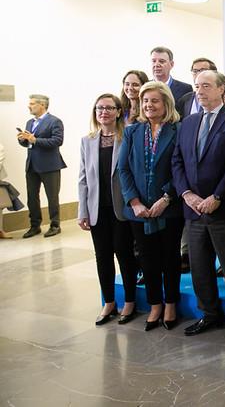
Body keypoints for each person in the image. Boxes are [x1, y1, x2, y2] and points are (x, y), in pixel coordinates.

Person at [172, 71, 225, 343]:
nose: (200, 91)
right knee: (199, 267)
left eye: (206, 86)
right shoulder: (188, 122)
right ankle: (209, 313)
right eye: (197, 86)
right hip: (193, 210)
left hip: (222, 208)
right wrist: (186, 194)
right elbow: (177, 161)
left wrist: (217, 196)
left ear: (221, 89)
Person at [118, 81, 183, 331]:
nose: (149, 105)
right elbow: (123, 169)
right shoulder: (132, 131)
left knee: (170, 257)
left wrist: (166, 198)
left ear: (166, 103)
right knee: (147, 258)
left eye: (154, 100)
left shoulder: (178, 130)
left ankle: (170, 304)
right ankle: (155, 304)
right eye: (145, 101)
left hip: (169, 208)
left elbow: (182, 168)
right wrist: (134, 202)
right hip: (139, 211)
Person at [78, 94, 138, 325]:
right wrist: (82, 211)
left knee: (125, 255)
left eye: (109, 108)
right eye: (99, 108)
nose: (104, 112)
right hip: (97, 209)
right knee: (102, 256)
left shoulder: (128, 136)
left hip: (121, 208)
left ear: (118, 111)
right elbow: (83, 178)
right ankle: (109, 302)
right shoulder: (87, 140)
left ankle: (130, 301)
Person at [17, 94, 67, 238]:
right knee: (32, 197)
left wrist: (34, 140)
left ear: (42, 105)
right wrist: (22, 140)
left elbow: (57, 141)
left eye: (32, 103)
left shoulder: (55, 121)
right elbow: (29, 143)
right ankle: (35, 226)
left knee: (52, 197)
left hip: (50, 166)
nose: (29, 106)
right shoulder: (29, 122)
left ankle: (55, 225)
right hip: (32, 165)